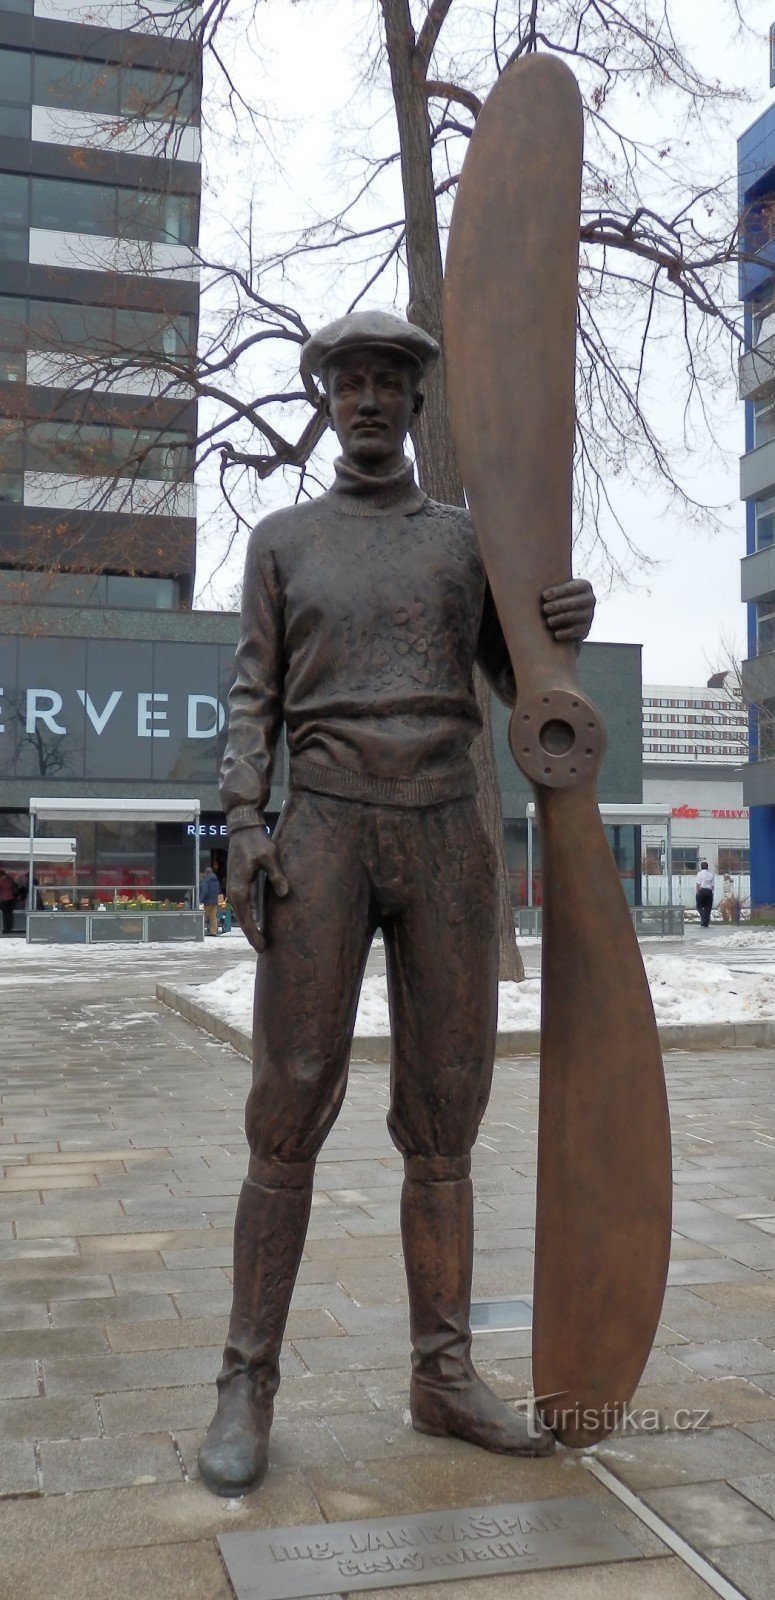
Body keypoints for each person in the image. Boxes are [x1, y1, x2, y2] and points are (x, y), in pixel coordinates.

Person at [197, 311, 596, 1497]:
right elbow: (253, 694)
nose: (368, 400)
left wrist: (557, 629)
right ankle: (245, 1380)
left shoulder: (466, 544)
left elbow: (522, 684)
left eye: (388, 383)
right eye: (350, 383)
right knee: (287, 1104)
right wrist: (243, 818)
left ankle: (442, 1373)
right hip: (320, 827)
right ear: (327, 401)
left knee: (444, 1111)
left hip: (443, 832)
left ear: (416, 403)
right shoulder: (283, 541)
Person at [199, 864, 220, 936]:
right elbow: (218, 890)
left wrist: (201, 900)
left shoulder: (206, 880)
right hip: (214, 902)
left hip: (207, 902)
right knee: (213, 917)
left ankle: (199, 931)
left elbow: (205, 891)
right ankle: (213, 931)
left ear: (206, 873)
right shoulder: (216, 880)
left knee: (203, 916)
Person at [695, 860, 714, 928]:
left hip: (702, 890)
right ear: (707, 867)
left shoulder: (699, 874)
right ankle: (706, 923)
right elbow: (712, 886)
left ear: (701, 867)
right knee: (708, 908)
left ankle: (703, 916)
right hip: (709, 891)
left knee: (699, 906)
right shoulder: (711, 875)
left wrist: (698, 892)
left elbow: (698, 884)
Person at [0, 866, 15, 936]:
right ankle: (9, 928)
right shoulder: (10, 879)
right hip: (11, 899)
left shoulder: (1, 880)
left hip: (5, 899)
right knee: (9, 914)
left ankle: (6, 929)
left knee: (5, 915)